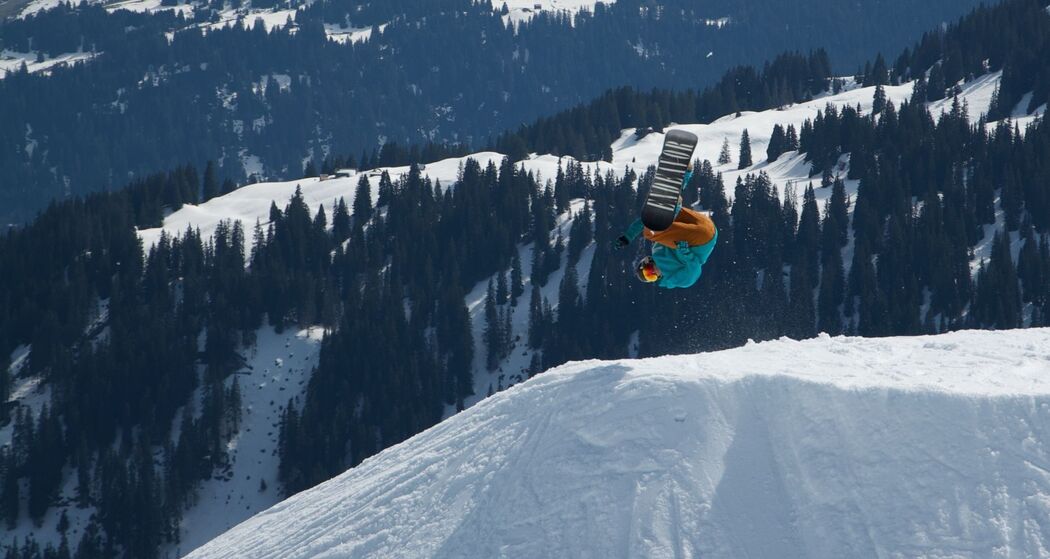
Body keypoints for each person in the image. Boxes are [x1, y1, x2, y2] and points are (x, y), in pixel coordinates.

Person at [613, 165, 718, 289]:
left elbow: (647, 222)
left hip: (703, 223)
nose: (653, 272)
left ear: (648, 261)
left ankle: (683, 175)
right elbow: (695, 269)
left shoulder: (657, 249)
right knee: (650, 232)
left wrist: (628, 237)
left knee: (653, 218)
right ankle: (673, 203)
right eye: (650, 277)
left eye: (648, 270)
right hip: (702, 239)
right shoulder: (675, 279)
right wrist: (685, 253)